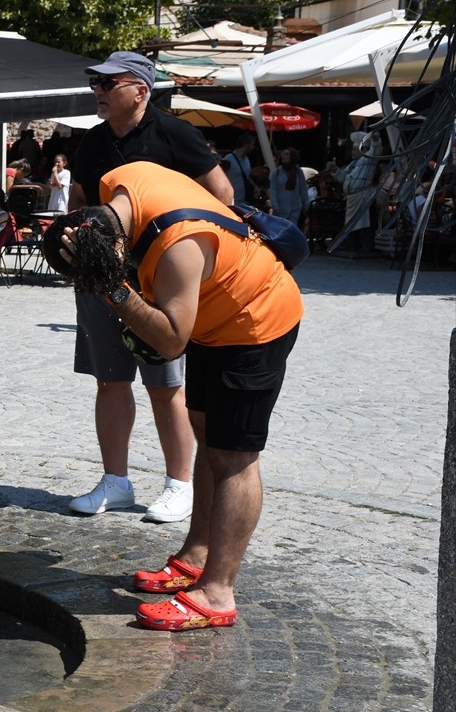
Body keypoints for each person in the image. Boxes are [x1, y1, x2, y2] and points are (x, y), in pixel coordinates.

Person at [45, 161, 302, 631]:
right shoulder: (121, 179)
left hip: (255, 322)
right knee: (205, 431)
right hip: (214, 320)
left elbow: (170, 342)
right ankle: (197, 554)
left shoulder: (177, 248)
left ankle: (217, 592)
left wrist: (114, 291)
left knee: (233, 455)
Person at [68, 50, 233, 525]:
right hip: (103, 277)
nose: (96, 91)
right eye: (94, 84)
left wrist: (188, 256)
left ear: (140, 89)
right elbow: (80, 202)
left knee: (166, 385)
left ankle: (179, 484)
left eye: (107, 84)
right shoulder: (93, 143)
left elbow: (222, 196)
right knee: (110, 381)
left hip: (160, 278)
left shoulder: (174, 133)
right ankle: (115, 482)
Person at [269, 147, 309, 227]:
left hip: (294, 210)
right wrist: (275, 206)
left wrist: (306, 206)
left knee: (291, 231)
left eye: (287, 154)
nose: (283, 156)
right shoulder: (277, 173)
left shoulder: (298, 172)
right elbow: (273, 191)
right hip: (279, 211)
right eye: (282, 154)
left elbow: (303, 190)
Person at [223, 134, 257, 205]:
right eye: (252, 144)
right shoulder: (228, 159)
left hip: (245, 202)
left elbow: (247, 177)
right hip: (232, 201)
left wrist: (255, 187)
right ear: (246, 145)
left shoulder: (247, 159)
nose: (253, 147)